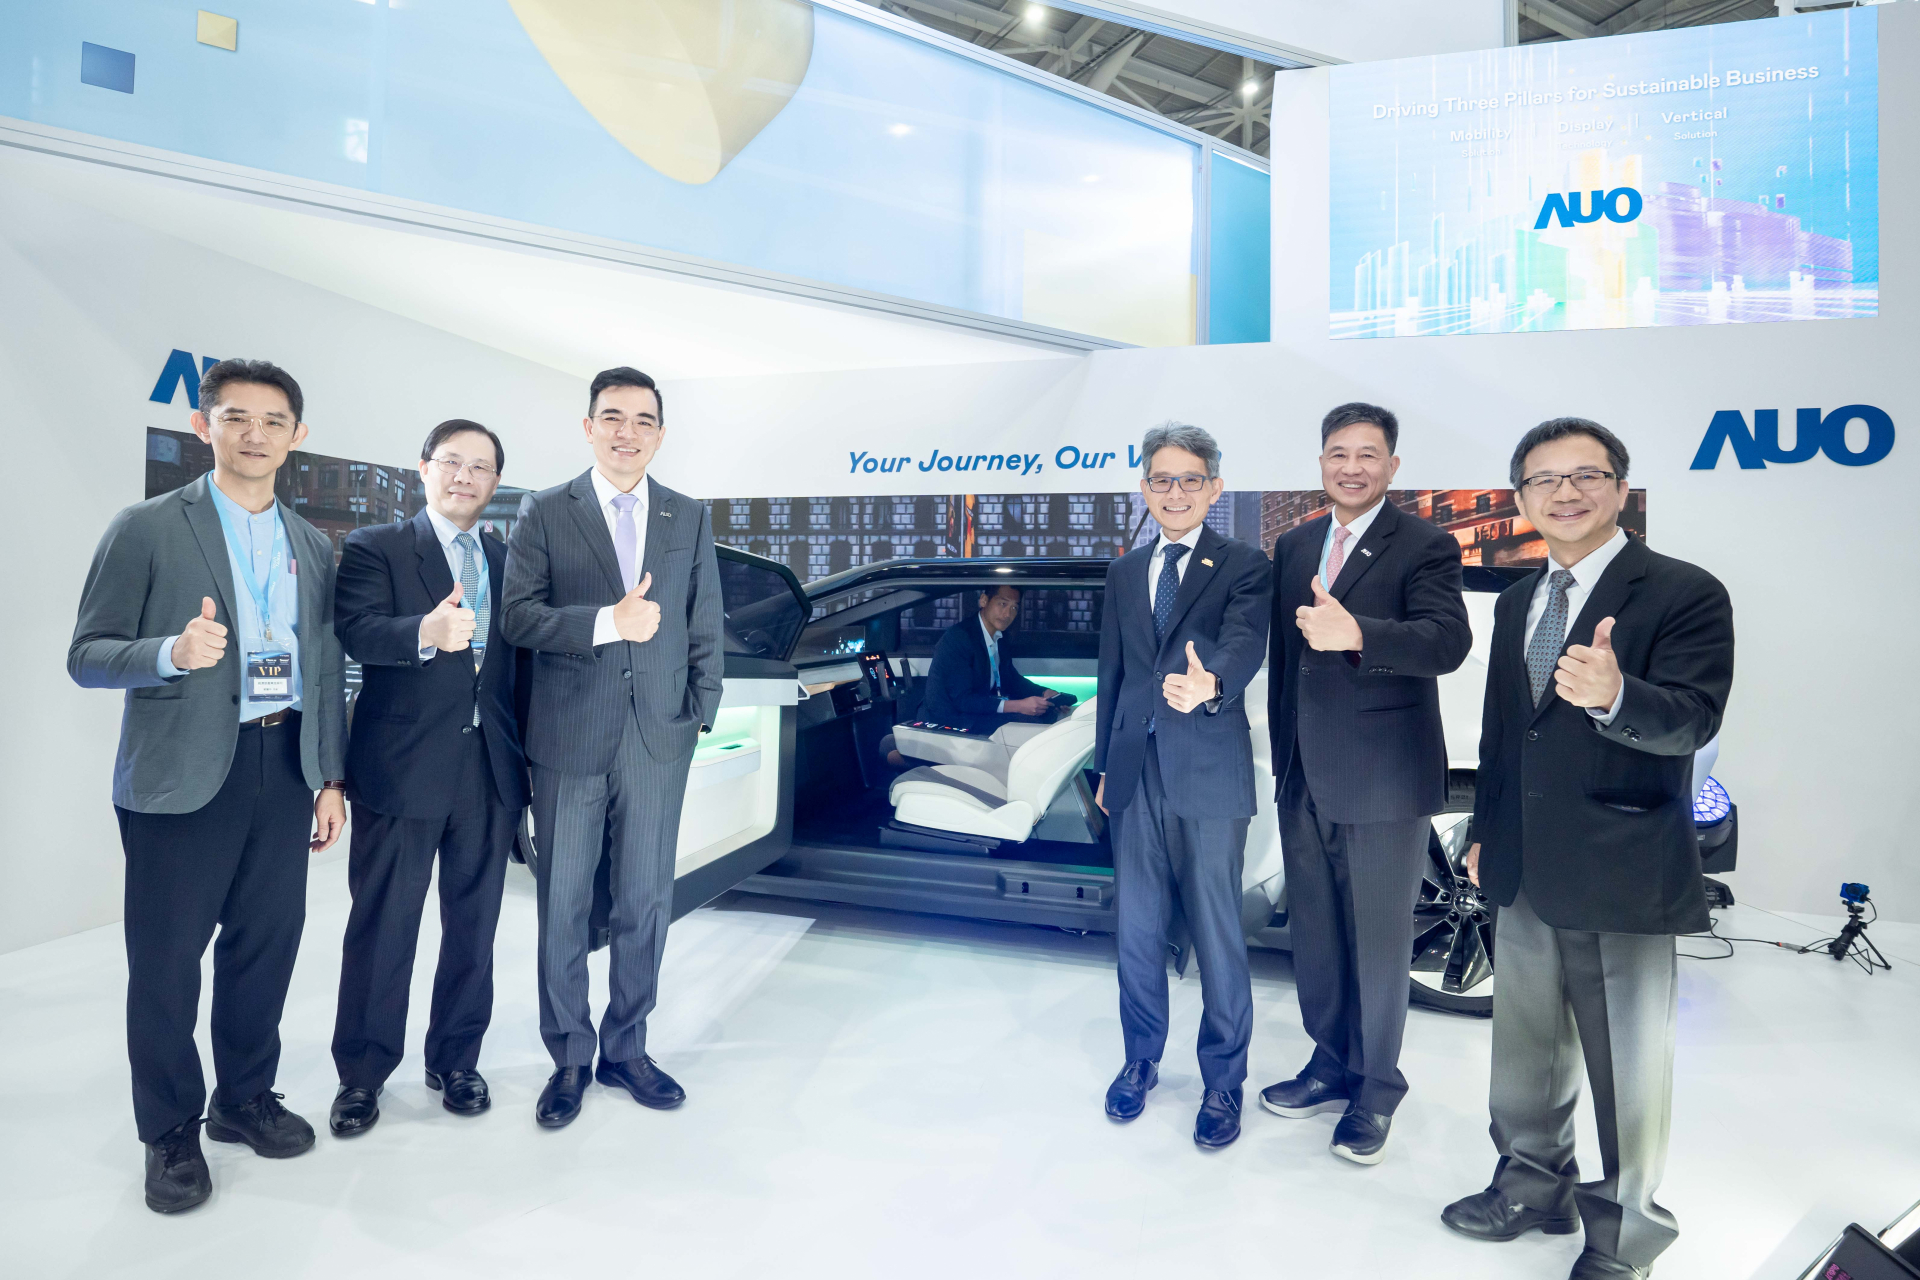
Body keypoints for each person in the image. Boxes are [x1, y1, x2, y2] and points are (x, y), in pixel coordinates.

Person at [1443, 419, 1733, 1280]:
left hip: (1623, 859)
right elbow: (1503, 733)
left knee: (1627, 1067)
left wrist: (1616, 697)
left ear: (1619, 489)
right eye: (1543, 479)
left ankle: (1626, 1237)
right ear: (1521, 497)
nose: (1564, 493)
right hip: (1525, 858)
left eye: (1585, 476)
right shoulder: (1518, 599)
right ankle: (1532, 1186)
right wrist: (1486, 830)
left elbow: (1692, 718)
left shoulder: (1683, 591)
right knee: (1525, 1050)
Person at [68, 359, 347, 1214]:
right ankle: (169, 1131)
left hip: (284, 764)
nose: (254, 434)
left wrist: (330, 776)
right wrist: (169, 653)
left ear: (297, 436)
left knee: (265, 948)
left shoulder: (312, 544)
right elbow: (87, 655)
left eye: (273, 421)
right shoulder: (147, 527)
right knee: (165, 965)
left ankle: (243, 1099)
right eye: (236, 418)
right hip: (182, 776)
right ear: (205, 426)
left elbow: (324, 670)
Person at [500, 366, 724, 1129]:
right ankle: (568, 1055)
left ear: (660, 433)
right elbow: (518, 617)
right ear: (588, 426)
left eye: (643, 420)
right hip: (568, 736)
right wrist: (605, 622)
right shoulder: (544, 510)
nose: (628, 432)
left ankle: (627, 1048)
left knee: (645, 900)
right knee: (562, 902)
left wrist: (699, 713)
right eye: (613, 417)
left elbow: (704, 620)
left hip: (658, 738)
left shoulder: (689, 515)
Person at [1261, 403, 1471, 1165]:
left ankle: (1377, 1088)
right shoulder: (1294, 544)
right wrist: (1283, 761)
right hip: (1304, 775)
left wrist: (1358, 634)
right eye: (1338, 454)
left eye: (1368, 454)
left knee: (1380, 945)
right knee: (1316, 937)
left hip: (1384, 778)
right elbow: (1286, 663)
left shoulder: (1425, 544)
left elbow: (1446, 642)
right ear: (1321, 462)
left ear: (1392, 466)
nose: (1351, 467)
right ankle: (1329, 1064)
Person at [326, 420, 530, 1136]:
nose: (464, 476)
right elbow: (353, 630)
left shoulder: (507, 559)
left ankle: (457, 1059)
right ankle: (361, 1074)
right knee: (384, 927)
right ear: (423, 468)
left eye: (480, 467)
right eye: (452, 462)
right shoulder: (376, 546)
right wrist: (422, 631)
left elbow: (518, 668)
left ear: (495, 482)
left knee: (474, 927)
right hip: (401, 767)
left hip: (489, 770)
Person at [1093, 422, 1271, 1149]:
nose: (1175, 492)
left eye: (1190, 479)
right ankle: (1140, 1060)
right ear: (1145, 487)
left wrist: (1213, 682)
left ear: (1214, 488)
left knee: (1217, 932)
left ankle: (1223, 1082)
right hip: (1135, 772)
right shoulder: (1124, 572)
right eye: (1162, 479)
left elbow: (1246, 640)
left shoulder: (1244, 564)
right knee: (1136, 931)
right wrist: (1106, 766)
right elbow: (1112, 674)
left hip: (1209, 771)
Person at [920, 584, 1072, 733]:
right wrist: (1018, 706)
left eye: (1014, 607)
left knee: (1047, 715)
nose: (1008, 614)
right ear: (984, 600)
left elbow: (1011, 679)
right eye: (1003, 604)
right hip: (950, 719)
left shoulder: (1000, 636)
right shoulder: (959, 638)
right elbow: (962, 700)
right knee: (1029, 723)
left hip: (977, 712)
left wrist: (1044, 693)